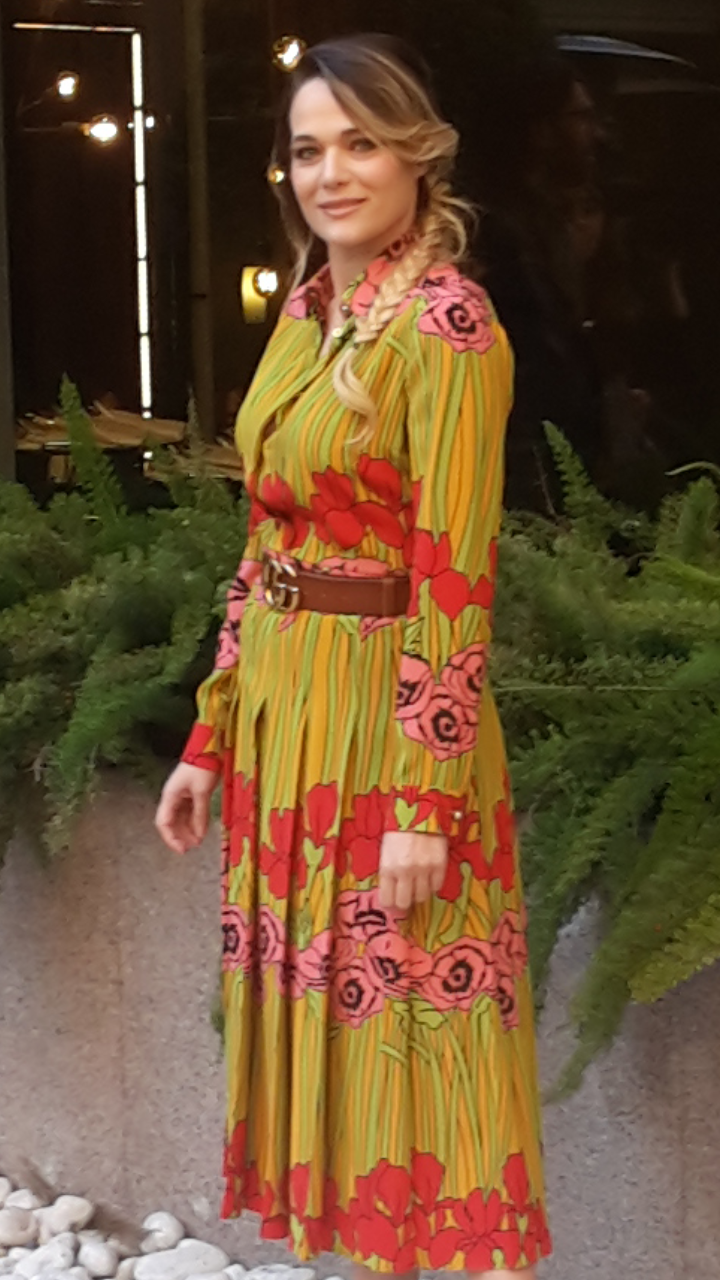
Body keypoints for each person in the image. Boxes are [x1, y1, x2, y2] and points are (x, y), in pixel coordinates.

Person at [155, 33, 551, 1279]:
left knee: (417, 1032)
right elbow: (264, 541)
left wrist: (429, 799)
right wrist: (211, 735)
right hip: (290, 717)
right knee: (328, 1024)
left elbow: (456, 578)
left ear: (416, 157)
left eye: (360, 143)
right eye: (307, 149)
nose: (330, 173)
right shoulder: (306, 314)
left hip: (388, 723)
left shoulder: (449, 326)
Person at [478, 55, 608, 512]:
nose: (595, 134)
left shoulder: (556, 225)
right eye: (579, 117)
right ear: (541, 131)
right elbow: (535, 364)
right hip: (534, 473)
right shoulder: (501, 235)